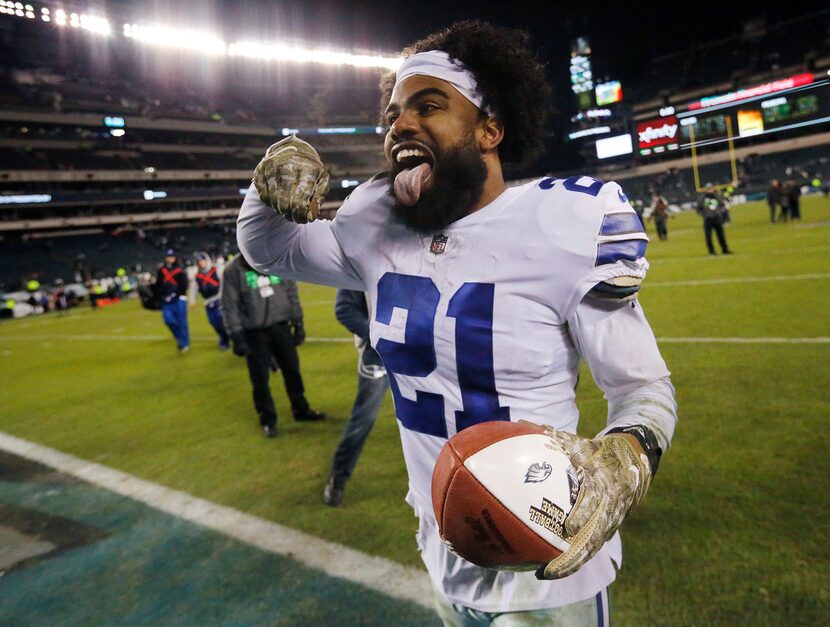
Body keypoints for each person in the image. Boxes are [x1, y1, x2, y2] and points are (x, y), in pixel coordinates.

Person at [238, 20, 677, 624]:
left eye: (429, 105)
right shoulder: (376, 223)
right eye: (393, 114)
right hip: (444, 540)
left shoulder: (564, 225)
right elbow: (271, 250)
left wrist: (626, 455)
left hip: (546, 559)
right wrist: (268, 182)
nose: (401, 125)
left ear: (490, 129)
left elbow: (641, 388)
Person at [219, 254, 326, 438]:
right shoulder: (233, 270)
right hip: (254, 332)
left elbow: (291, 291)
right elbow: (229, 304)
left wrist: (298, 322)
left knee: (292, 370)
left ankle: (300, 408)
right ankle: (268, 419)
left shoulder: (275, 260)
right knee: (260, 378)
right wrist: (236, 335)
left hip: (281, 326)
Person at [323, 289, 389, 506]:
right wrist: (378, 336)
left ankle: (446, 480)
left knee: (431, 419)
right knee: (363, 419)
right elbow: (344, 309)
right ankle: (338, 477)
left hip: (416, 354)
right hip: (378, 356)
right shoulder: (367, 257)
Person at [190, 252, 230, 351]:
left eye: (202, 260)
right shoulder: (197, 276)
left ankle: (229, 339)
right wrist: (192, 300)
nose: (201, 263)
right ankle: (224, 337)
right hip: (208, 302)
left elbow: (226, 281)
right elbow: (193, 289)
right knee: (214, 322)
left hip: (220, 299)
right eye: (199, 261)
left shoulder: (216, 270)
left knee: (226, 320)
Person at [155, 248, 190, 352]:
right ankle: (178, 335)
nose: (170, 259)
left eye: (172, 257)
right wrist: (160, 297)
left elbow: (184, 285)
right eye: (168, 257)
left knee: (182, 322)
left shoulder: (180, 269)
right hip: (166, 300)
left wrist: (176, 294)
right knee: (168, 320)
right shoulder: (161, 270)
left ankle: (184, 344)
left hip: (179, 299)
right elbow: (158, 285)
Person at [696, 187, 732, 255]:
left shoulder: (716, 196)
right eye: (708, 189)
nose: (710, 190)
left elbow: (722, 205)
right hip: (708, 219)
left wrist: (719, 213)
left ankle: (725, 249)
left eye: (711, 188)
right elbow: (698, 209)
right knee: (708, 237)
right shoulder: (702, 198)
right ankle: (711, 251)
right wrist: (704, 215)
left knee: (721, 235)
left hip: (717, 218)